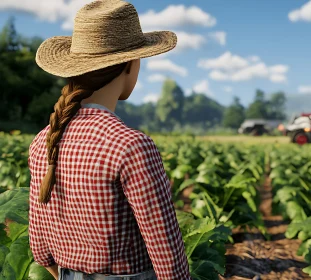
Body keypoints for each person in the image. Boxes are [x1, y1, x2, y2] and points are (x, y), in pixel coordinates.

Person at [28, 1, 191, 279]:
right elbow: (168, 258)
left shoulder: (43, 141)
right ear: (130, 65)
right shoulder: (131, 145)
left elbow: (41, 251)